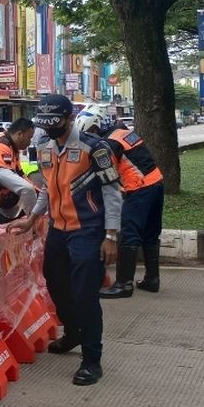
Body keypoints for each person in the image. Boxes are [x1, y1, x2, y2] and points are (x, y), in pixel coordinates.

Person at [10, 94, 122, 387]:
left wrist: (111, 235)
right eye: (44, 126)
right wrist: (33, 218)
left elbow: (112, 192)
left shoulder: (95, 149)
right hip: (58, 229)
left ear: (70, 119)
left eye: (54, 124)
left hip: (88, 230)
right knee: (55, 282)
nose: (49, 131)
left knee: (85, 294)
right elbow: (47, 187)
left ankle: (92, 359)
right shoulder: (44, 146)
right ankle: (72, 332)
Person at [81, 115, 165, 298]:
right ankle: (152, 279)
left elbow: (107, 175)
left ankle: (123, 284)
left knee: (129, 235)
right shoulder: (124, 132)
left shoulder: (109, 144)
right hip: (156, 182)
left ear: (95, 129)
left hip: (138, 188)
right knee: (150, 234)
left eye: (89, 134)